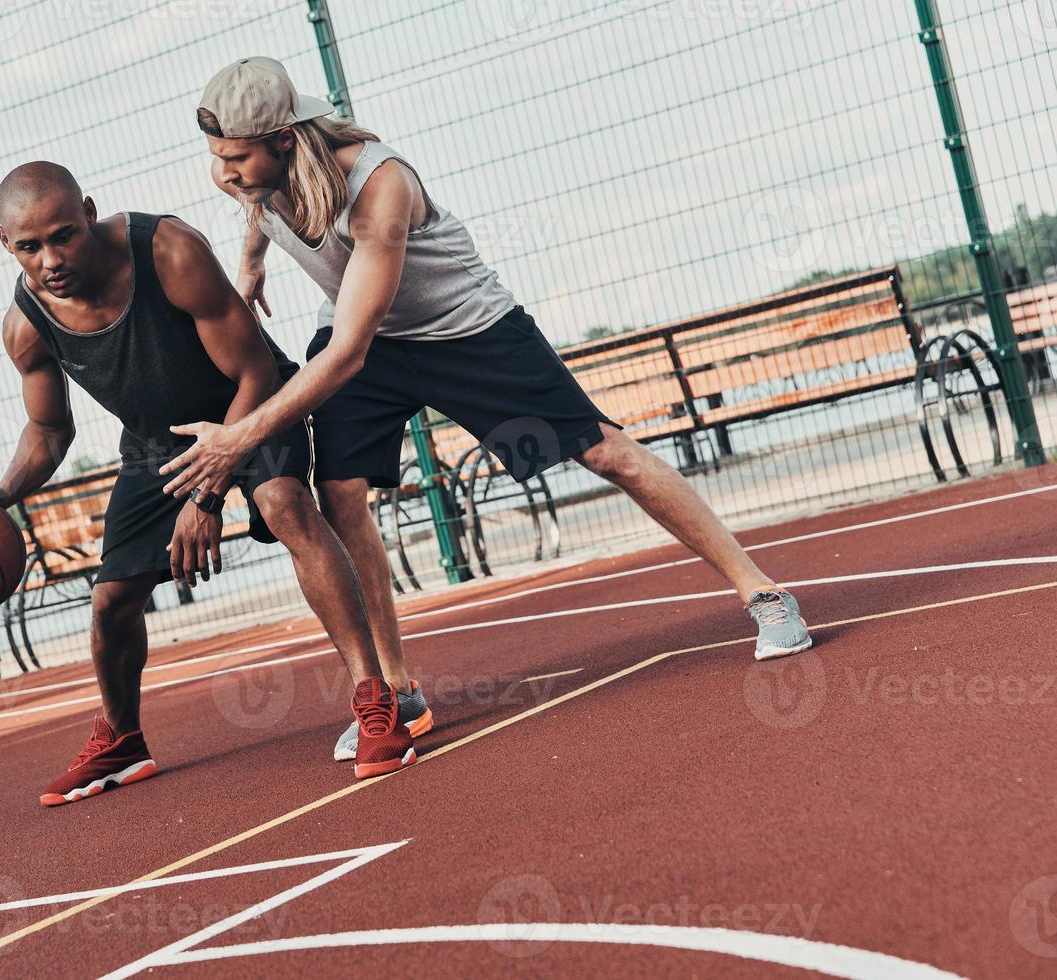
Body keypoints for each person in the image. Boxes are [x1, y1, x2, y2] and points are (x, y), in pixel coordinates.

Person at [159, 57, 813, 762]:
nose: (222, 172)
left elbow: (346, 353)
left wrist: (240, 438)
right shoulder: (254, 177)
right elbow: (261, 213)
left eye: (235, 157)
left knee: (602, 450)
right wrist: (252, 262)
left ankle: (765, 595)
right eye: (215, 156)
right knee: (341, 492)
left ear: (285, 141)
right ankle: (398, 689)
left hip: (460, 331)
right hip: (363, 334)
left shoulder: (379, 185)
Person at [0, 161, 417, 804]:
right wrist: (4, 491)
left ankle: (376, 704)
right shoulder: (27, 324)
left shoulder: (168, 253)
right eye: (29, 247)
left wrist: (208, 493)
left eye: (63, 235)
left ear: (89, 214)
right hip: (157, 445)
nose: (50, 259)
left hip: (252, 408)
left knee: (286, 503)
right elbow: (47, 431)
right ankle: (123, 739)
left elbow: (256, 372)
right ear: (3, 243)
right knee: (112, 603)